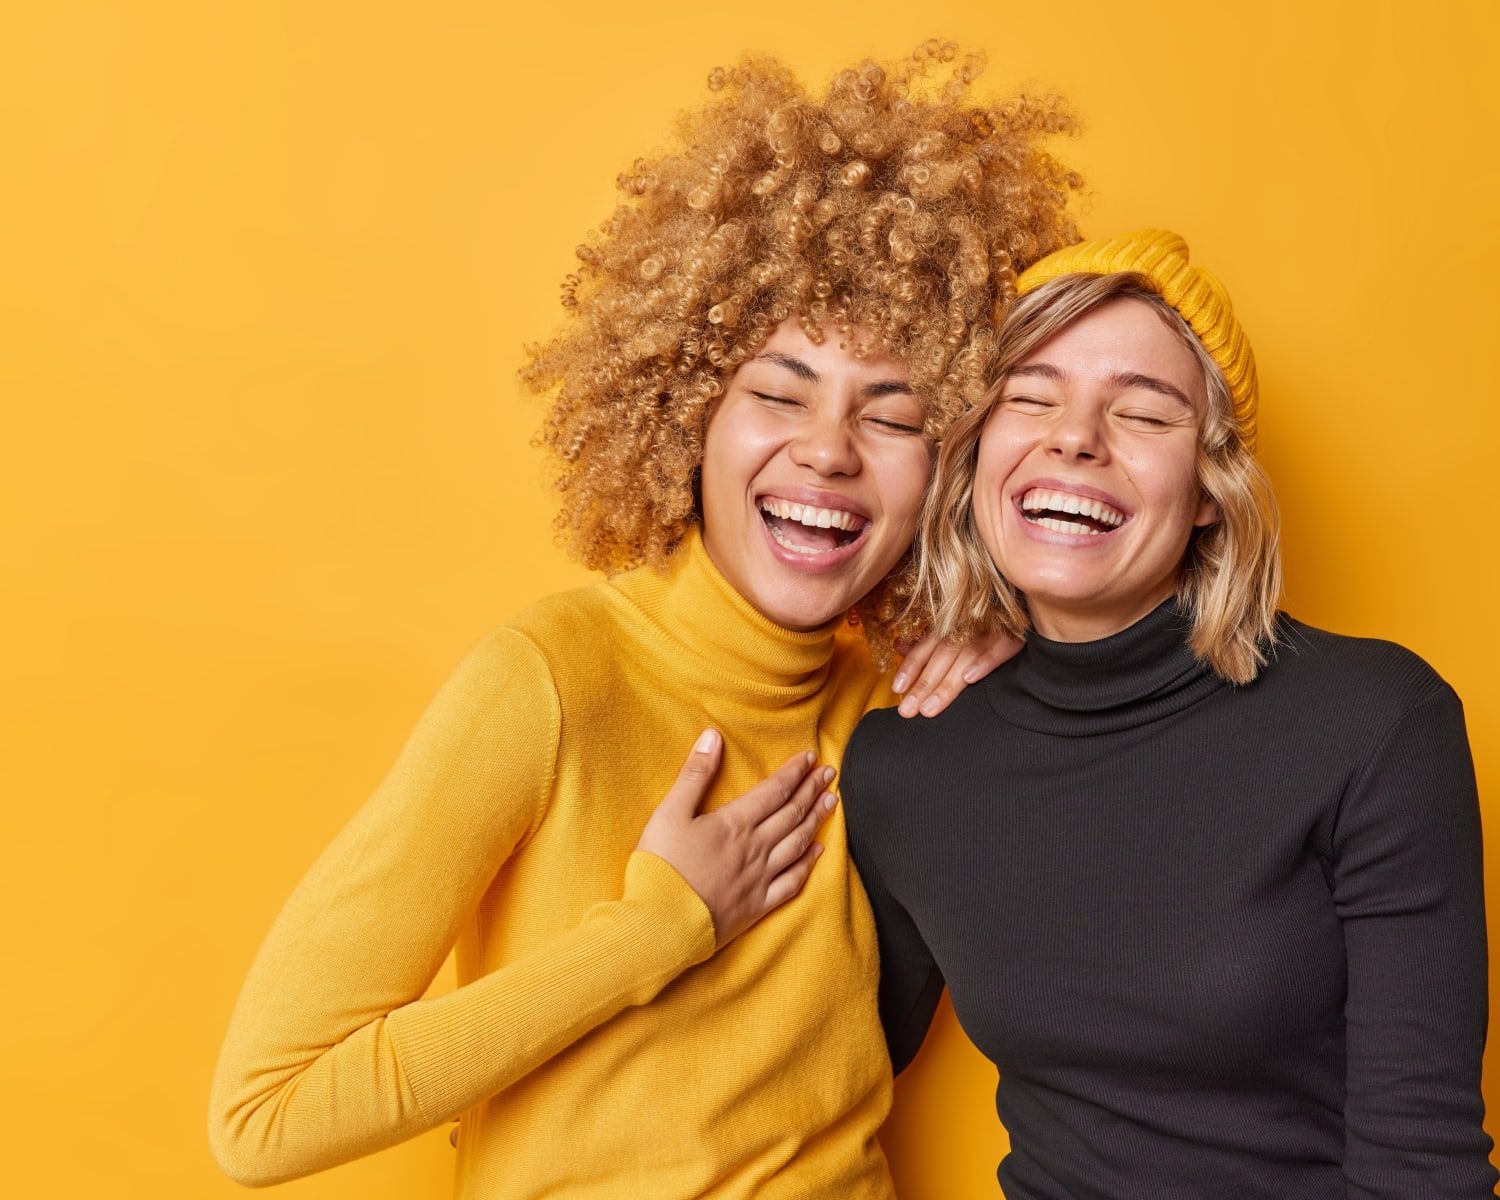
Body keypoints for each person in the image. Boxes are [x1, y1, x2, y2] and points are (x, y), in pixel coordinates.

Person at [207, 43, 1082, 1198]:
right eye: (777, 393)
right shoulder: (553, 680)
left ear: (950, 466)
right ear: (686, 418)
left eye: (895, 415)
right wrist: (659, 926)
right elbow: (265, 1114)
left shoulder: (898, 710)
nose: (827, 449)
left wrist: (1020, 667)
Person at [843, 229, 1498, 1197]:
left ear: (1207, 490)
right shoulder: (906, 761)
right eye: (1031, 396)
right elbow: (812, 1078)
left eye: (1143, 413)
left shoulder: (1374, 725)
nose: (1075, 437)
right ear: (978, 453)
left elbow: (1422, 1170)